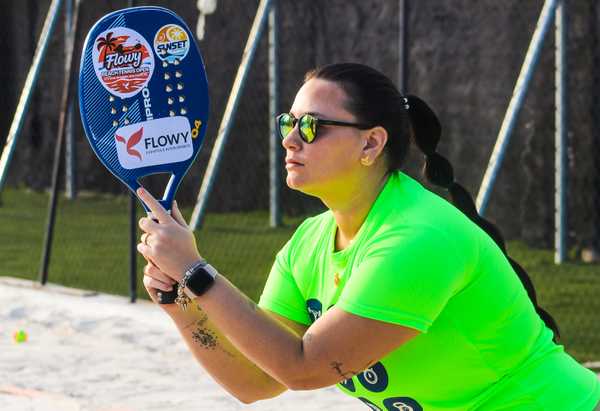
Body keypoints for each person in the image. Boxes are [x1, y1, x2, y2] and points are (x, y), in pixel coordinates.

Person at [136, 63, 600, 410]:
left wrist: (198, 273)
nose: (290, 139)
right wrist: (181, 302)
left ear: (371, 143)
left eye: (311, 126)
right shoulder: (309, 242)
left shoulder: (417, 236)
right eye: (287, 123)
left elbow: (304, 367)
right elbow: (256, 381)